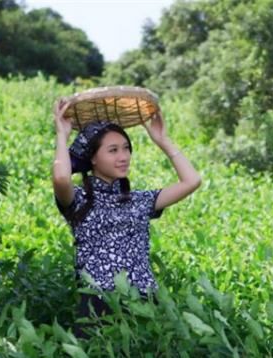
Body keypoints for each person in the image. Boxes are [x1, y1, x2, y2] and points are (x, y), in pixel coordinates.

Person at [52, 99, 201, 338]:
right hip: (98, 306)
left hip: (144, 303)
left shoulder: (139, 200)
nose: (123, 156)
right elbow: (61, 179)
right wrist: (62, 135)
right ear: (93, 158)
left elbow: (192, 181)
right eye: (113, 150)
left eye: (126, 148)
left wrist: (163, 140)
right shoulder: (78, 200)